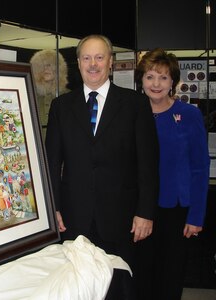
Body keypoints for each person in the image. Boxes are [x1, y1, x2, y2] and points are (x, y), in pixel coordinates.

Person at [45, 34, 160, 299]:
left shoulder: (135, 105)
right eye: (87, 58)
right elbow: (52, 161)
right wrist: (55, 207)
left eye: (99, 57)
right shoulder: (61, 106)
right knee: (78, 288)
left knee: (120, 287)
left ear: (110, 62)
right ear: (78, 62)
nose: (93, 64)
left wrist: (145, 212)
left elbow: (148, 163)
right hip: (74, 220)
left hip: (122, 219)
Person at [135, 48, 210, 300]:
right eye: (150, 77)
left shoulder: (189, 115)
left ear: (173, 82)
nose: (156, 84)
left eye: (163, 77)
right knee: (140, 279)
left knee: (169, 279)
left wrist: (196, 215)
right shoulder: (132, 114)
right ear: (141, 80)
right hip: (138, 210)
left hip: (175, 213)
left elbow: (200, 167)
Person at [30, 49, 70, 138]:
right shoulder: (31, 96)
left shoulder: (69, 97)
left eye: (49, 65)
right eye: (42, 66)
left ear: (58, 68)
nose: (46, 69)